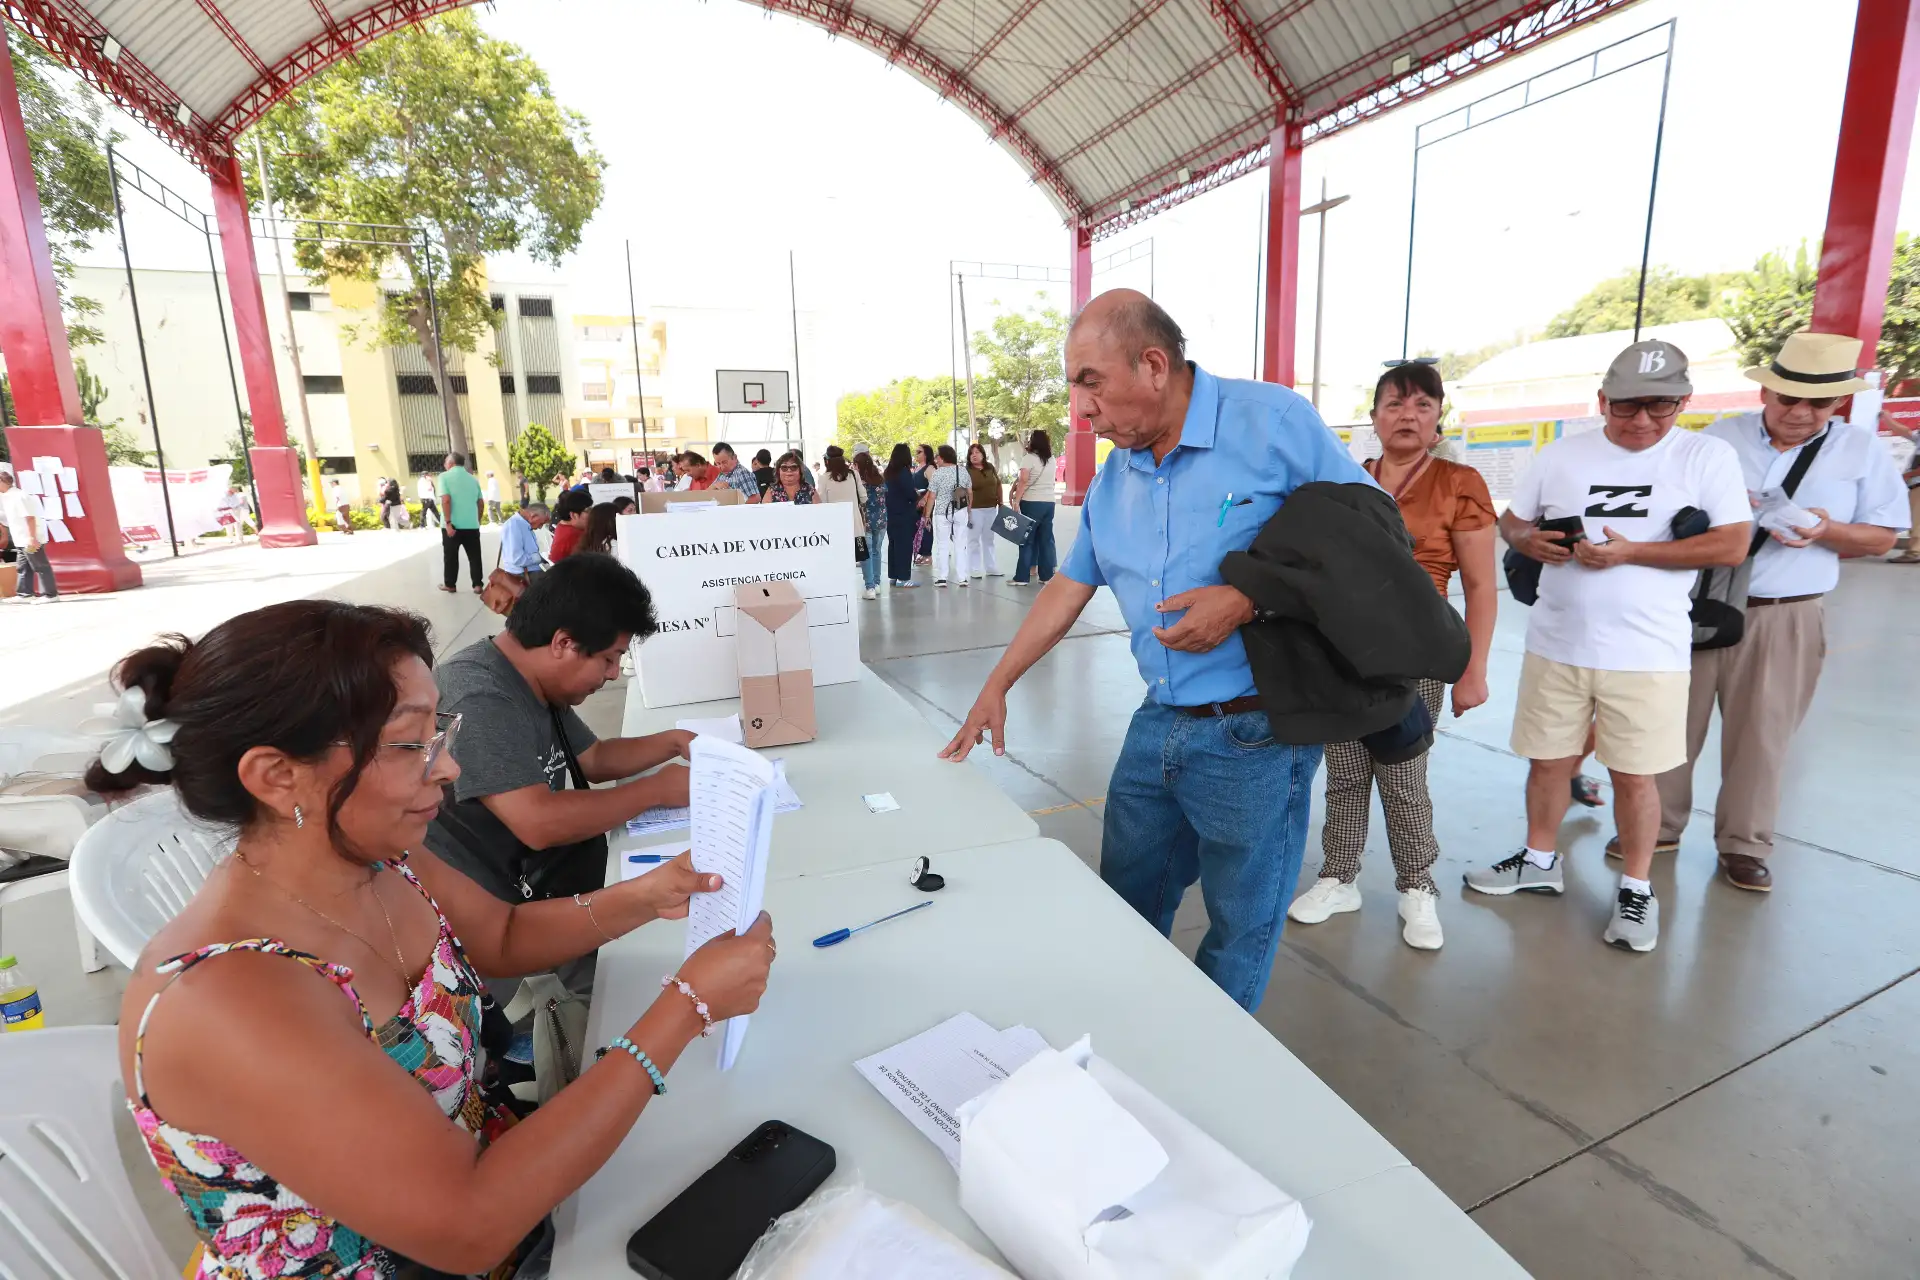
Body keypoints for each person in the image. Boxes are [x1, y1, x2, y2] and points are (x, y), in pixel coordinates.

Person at [88, 598, 772, 1280]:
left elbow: (499, 935)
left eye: (439, 730)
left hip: (517, 1209)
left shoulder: (376, 858)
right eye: (412, 742)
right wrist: (686, 1007)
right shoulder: (227, 996)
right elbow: (468, 1225)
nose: (447, 767)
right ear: (276, 775)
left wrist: (648, 896)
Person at [940, 289, 1373, 1011]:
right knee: (1124, 903)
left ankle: (1211, 1064)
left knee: (1240, 926)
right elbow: (1067, 588)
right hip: (1158, 723)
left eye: (1091, 382)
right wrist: (998, 684)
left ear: (1152, 365)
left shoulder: (1270, 424)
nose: (1082, 409)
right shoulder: (1119, 472)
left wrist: (1249, 598)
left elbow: (1368, 530)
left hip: (1257, 731)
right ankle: (1131, 1038)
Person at [1466, 339, 1751, 953]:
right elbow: (1512, 519)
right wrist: (1528, 540)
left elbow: (1731, 544)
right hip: (1557, 641)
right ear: (1601, 400)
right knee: (1548, 760)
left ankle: (1637, 889)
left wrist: (1631, 552)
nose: (1643, 420)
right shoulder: (1561, 455)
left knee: (1635, 777)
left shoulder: (1706, 457)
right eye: (1627, 407)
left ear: (1684, 402)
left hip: (1648, 654)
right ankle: (1540, 860)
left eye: (1660, 405)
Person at [1642, 333, 1906, 892]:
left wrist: (1824, 529)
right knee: (1669, 724)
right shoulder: (1719, 439)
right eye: (1788, 399)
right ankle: (1657, 825)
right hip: (1699, 604)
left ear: (1839, 403)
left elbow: (1883, 537)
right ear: (1767, 392)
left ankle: (1744, 844)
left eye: (1820, 403)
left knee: (1762, 736)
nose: (1801, 413)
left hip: (1784, 614)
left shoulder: (1860, 451)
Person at [1286, 362, 1496, 951]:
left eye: (1423, 406)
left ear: (1437, 420)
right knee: (1346, 773)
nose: (1409, 416)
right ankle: (1339, 874)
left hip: (1419, 651)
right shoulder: (1349, 478)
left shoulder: (1461, 482)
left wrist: (1472, 669)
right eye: (1396, 405)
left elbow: (1479, 586)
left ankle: (1416, 885)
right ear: (1375, 417)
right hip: (1345, 648)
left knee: (1403, 773)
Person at [427, 556, 695, 900]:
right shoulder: (478, 696)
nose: (613, 673)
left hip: (534, 874)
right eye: (609, 658)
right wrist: (654, 791)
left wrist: (676, 742)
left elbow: (594, 759)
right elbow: (538, 822)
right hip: (490, 901)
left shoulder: (536, 677)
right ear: (563, 643)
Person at [0, 466, 57, 604]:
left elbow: (30, 518)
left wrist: (32, 538)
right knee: (23, 567)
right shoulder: (6, 497)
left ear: (3, 482)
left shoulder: (19, 496)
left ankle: (50, 594)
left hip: (29, 538)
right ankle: (24, 593)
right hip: (20, 538)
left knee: (40, 566)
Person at [1009, 430, 1058, 586]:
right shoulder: (1052, 460)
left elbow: (1023, 481)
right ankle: (1046, 576)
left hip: (1031, 502)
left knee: (1027, 540)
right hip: (1049, 503)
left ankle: (1022, 577)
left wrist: (1016, 501)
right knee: (1046, 540)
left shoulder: (1028, 459)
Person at [436, 452, 486, 596]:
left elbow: (446, 500)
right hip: (472, 525)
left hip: (453, 525)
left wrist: (448, 523)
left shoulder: (444, 477)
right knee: (475, 556)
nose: (444, 464)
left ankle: (450, 584)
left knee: (451, 556)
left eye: (446, 462)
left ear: (450, 463)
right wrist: (477, 519)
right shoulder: (473, 479)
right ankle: (477, 585)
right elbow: (481, 503)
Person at [926, 444, 970, 587]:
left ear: (943, 457)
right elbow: (970, 492)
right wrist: (968, 508)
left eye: (937, 456)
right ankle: (962, 577)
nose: (936, 459)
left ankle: (942, 577)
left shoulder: (938, 473)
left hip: (942, 512)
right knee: (960, 544)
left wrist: (927, 515)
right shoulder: (963, 471)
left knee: (942, 544)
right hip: (960, 510)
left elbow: (932, 497)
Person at [852, 445, 888, 601]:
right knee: (877, 551)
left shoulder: (860, 483)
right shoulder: (880, 479)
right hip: (881, 520)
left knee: (865, 554)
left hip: (865, 521)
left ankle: (870, 586)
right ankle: (877, 583)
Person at [882, 443, 920, 589]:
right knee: (904, 545)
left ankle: (894, 575)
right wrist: (916, 494)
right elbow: (909, 493)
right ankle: (903, 578)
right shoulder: (904, 472)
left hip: (891, 513)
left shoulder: (888, 471)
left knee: (893, 545)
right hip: (904, 513)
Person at [964, 442, 1004, 579]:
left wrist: (1001, 502)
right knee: (973, 539)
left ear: (983, 454)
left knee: (989, 539)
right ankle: (974, 568)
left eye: (977, 452)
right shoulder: (966, 471)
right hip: (974, 510)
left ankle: (991, 567)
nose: (974, 455)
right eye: (971, 453)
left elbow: (998, 484)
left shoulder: (990, 467)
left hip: (991, 508)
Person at [501, 500, 550, 581]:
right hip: (522, 574)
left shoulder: (524, 524)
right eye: (542, 523)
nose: (540, 527)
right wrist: (539, 557)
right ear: (533, 516)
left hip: (531, 570)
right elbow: (517, 559)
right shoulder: (514, 525)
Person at [548, 489, 591, 562]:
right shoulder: (574, 534)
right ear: (573, 515)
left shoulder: (562, 525)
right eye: (588, 511)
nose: (592, 514)